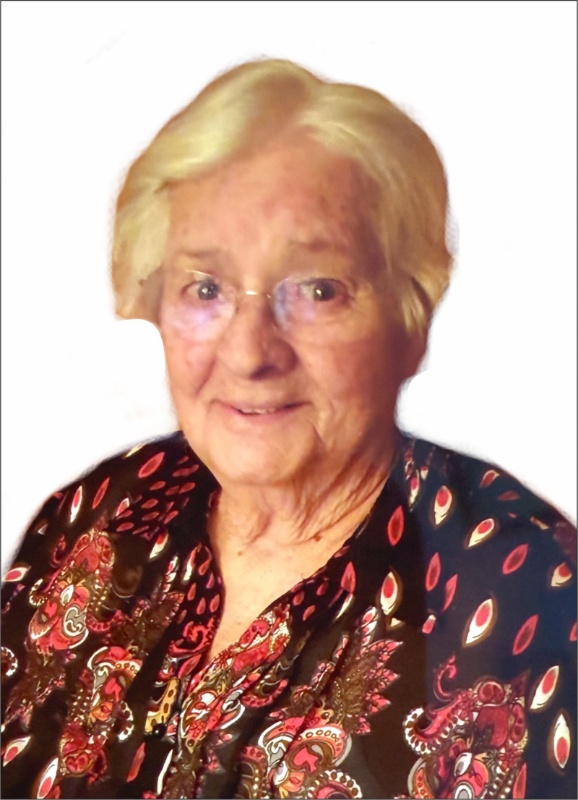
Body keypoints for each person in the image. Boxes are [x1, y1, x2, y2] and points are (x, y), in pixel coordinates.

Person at [1, 58, 575, 800]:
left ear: (411, 321)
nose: (249, 353)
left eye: (318, 290)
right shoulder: (94, 518)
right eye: (204, 288)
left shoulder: (532, 593)